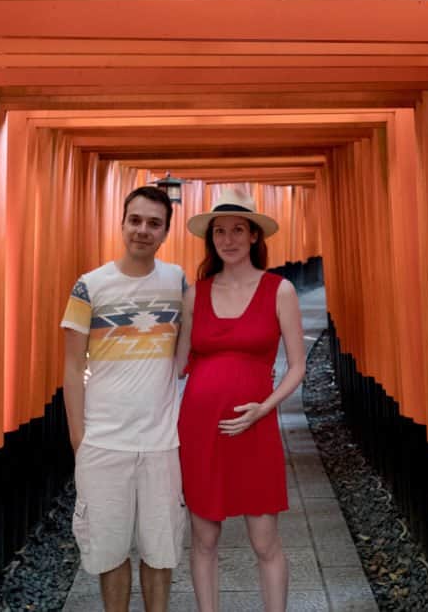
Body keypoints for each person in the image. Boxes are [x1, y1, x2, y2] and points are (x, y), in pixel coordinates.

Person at [175, 189, 307, 612]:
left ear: (253, 236)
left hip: (256, 425)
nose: (228, 239)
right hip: (199, 427)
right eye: (219, 231)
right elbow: (176, 363)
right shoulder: (195, 294)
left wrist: (263, 408)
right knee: (204, 538)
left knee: (264, 539)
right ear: (210, 239)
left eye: (237, 230)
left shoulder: (279, 289)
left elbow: (297, 367)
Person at [60, 185, 187, 612]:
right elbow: (73, 367)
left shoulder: (177, 282)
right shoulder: (89, 286)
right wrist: (80, 438)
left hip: (160, 441)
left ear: (166, 231)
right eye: (135, 220)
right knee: (109, 553)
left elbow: (191, 350)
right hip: (104, 440)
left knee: (161, 549)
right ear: (122, 223)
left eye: (154, 223)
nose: (143, 231)